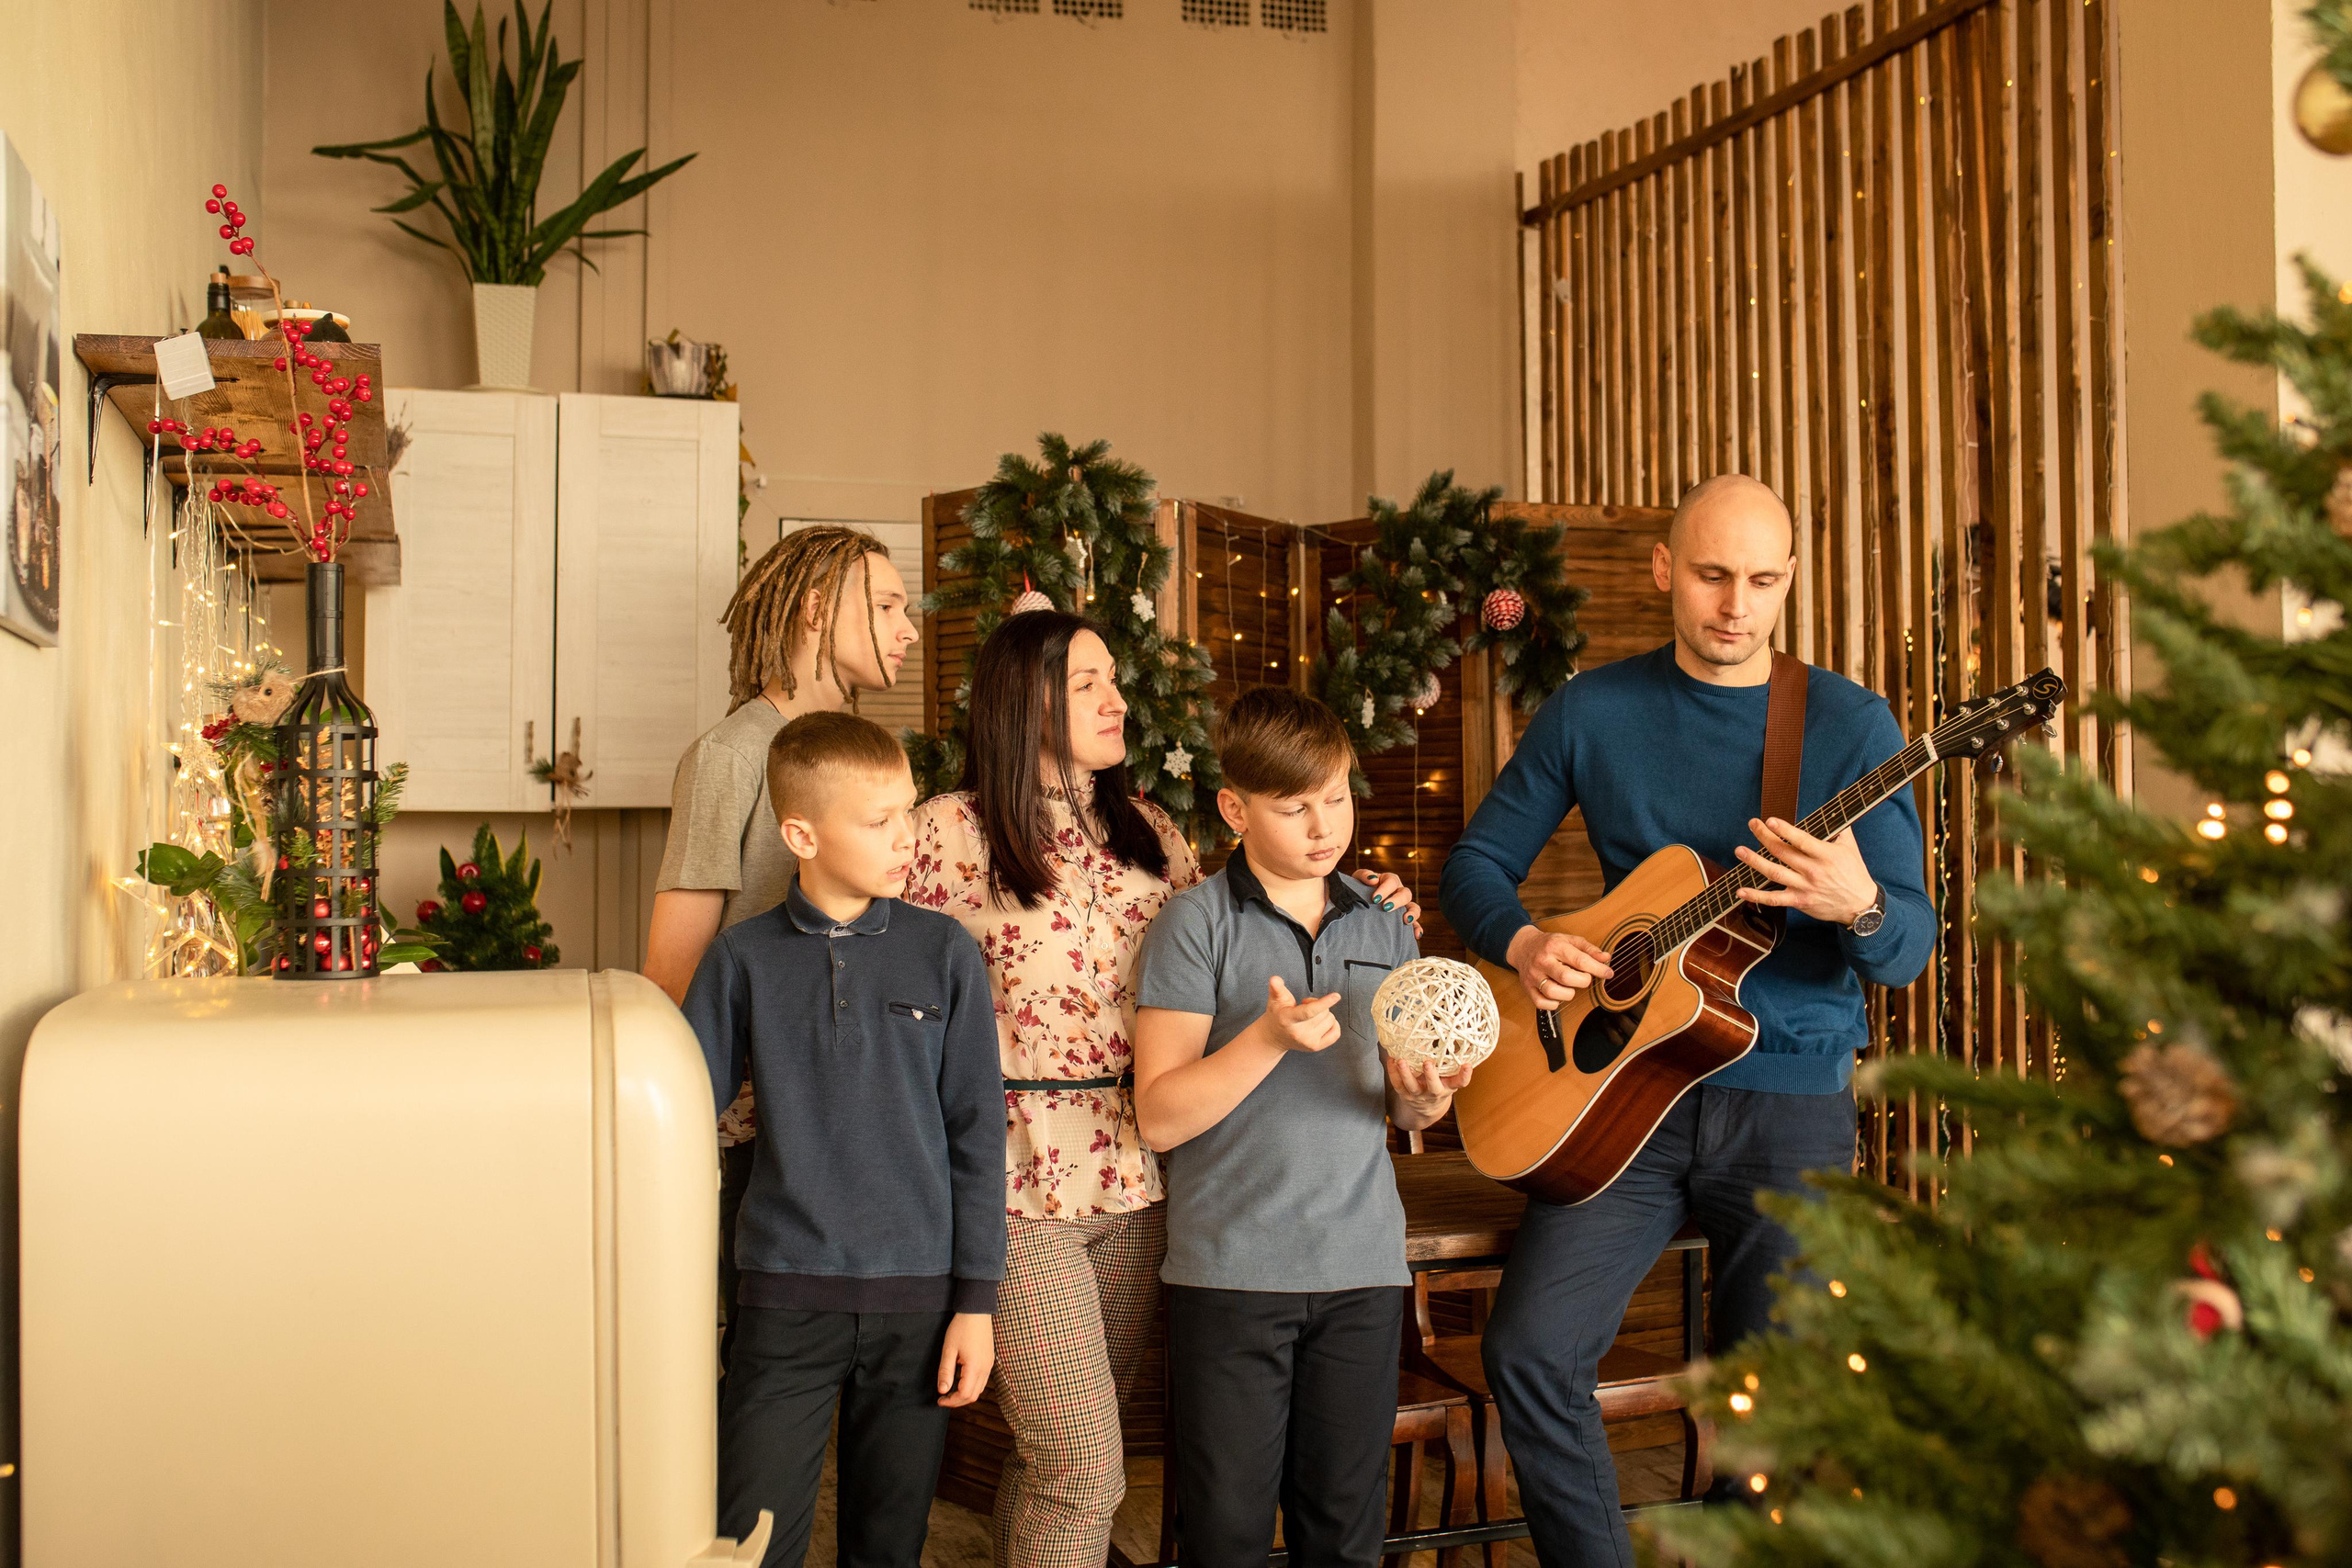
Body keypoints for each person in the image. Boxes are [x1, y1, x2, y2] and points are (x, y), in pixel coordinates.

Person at [1438, 474, 1935, 1566]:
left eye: (1762, 580)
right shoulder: (1592, 710)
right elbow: (1473, 865)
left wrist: (1854, 903)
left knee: (1779, 1398)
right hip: (1620, 1097)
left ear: (1790, 579)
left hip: (1790, 1096)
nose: (1734, 605)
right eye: (1712, 575)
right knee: (1528, 1351)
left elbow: (1907, 949)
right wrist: (1525, 944)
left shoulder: (1850, 725)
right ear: (1664, 569)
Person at [903, 609, 1419, 1568]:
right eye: (1089, 681)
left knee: (1054, 1461)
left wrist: (1366, 902)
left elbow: (1249, 930)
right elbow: (868, 954)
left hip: (1140, 1177)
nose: (1117, 699)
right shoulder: (946, 829)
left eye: (1114, 678)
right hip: (1013, 1179)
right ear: (1025, 698)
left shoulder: (1152, 833)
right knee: (1088, 1468)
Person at [1132, 687, 1469, 1568]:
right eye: (1295, 806)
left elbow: (1398, 1108)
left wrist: (1427, 1099)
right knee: (1228, 1536)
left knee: (1345, 1537)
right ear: (1235, 809)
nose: (1325, 825)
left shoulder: (1387, 925)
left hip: (1361, 1270)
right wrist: (1270, 1039)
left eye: (1338, 797)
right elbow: (1159, 1115)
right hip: (1232, 1275)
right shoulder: (1194, 924)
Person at [683, 710, 1003, 1568]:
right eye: (878, 820)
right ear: (801, 833)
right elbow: (678, 1117)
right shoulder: (740, 958)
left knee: (888, 1548)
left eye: (907, 812)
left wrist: (976, 1301)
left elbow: (977, 1134)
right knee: (747, 1543)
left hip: (920, 1304)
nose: (907, 838)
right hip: (782, 1296)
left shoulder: (945, 953)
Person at [643, 525, 921, 1360]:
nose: (908, 627)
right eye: (885, 605)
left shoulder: (874, 761)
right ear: (811, 610)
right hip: (758, 1133)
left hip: (856, 1114)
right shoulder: (731, 757)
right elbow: (672, 973)